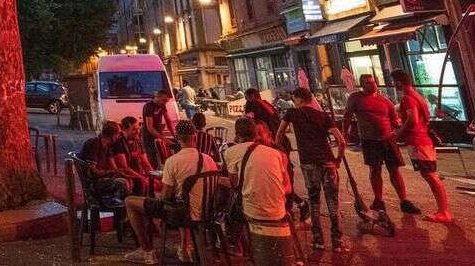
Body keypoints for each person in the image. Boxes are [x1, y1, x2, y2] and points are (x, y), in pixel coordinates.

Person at [123, 120, 218, 264]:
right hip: (207, 212)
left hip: (183, 214)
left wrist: (157, 195)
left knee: (129, 201)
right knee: (182, 199)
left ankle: (147, 252)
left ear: (177, 139)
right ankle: (184, 248)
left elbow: (165, 197)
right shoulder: (209, 160)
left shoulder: (173, 162)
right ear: (195, 137)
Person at [276, 86, 347, 252]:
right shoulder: (323, 116)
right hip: (328, 162)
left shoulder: (292, 113)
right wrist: (338, 159)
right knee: (332, 203)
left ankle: (318, 240)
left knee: (314, 202)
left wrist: (281, 152)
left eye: (295, 99)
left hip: (308, 163)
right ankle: (337, 242)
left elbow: (279, 134)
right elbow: (341, 141)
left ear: (299, 99)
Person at [341, 73, 419, 215]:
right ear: (362, 85)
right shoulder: (356, 98)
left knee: (394, 170)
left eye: (373, 82)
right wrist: (344, 135)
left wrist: (398, 130)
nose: (373, 84)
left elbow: (395, 119)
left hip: (387, 139)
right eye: (369, 83)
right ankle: (378, 200)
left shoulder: (385, 100)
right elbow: (347, 117)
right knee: (375, 170)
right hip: (369, 140)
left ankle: (403, 200)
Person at [224, 116, 294, 266]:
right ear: (256, 134)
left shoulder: (231, 152)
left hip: (253, 211)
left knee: (228, 207)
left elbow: (235, 184)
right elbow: (287, 187)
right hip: (279, 210)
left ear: (237, 135)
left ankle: (235, 245)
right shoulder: (276, 153)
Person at [390, 69, 451, 223]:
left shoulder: (408, 98)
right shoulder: (417, 96)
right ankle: (442, 210)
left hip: (418, 141)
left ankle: (444, 211)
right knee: (429, 175)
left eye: (394, 82)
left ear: (399, 82)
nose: (393, 85)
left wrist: (398, 135)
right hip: (422, 139)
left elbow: (412, 119)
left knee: (430, 175)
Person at [77, 121, 131, 208]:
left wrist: (121, 173)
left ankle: (123, 211)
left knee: (128, 181)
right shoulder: (94, 144)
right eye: (118, 135)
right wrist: (110, 172)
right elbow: (91, 173)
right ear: (113, 136)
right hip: (92, 183)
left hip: (101, 179)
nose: (118, 137)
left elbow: (113, 167)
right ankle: (118, 209)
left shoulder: (107, 147)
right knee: (122, 183)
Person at [117, 116, 155, 194]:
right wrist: (141, 177)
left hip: (139, 173)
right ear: (124, 129)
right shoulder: (119, 143)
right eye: (134, 129)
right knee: (142, 183)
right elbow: (124, 167)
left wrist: (155, 175)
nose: (137, 131)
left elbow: (145, 163)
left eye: (138, 128)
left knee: (158, 181)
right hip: (127, 175)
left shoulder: (138, 141)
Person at [141, 88, 174, 169]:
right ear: (157, 97)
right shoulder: (148, 106)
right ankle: (153, 176)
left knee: (162, 156)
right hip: (149, 136)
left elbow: (168, 119)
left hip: (158, 133)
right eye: (164, 100)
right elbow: (150, 127)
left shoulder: (162, 105)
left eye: (166, 101)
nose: (165, 103)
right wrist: (164, 139)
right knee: (153, 158)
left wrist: (174, 134)